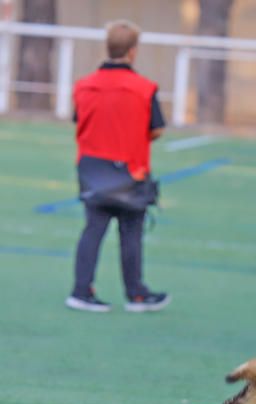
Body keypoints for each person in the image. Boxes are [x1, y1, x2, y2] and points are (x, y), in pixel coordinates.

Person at [66, 20, 171, 313]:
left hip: (92, 171)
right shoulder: (145, 88)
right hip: (130, 171)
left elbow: (79, 119)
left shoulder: (83, 85)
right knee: (131, 233)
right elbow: (157, 128)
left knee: (92, 229)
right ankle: (135, 293)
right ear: (133, 51)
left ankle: (81, 289)